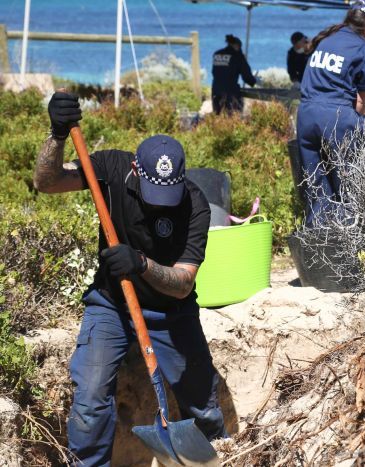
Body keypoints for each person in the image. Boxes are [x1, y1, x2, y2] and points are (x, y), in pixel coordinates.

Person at [33, 92, 226, 465]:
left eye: (169, 195)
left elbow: (184, 282)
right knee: (89, 403)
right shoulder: (111, 168)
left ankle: (220, 458)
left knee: (203, 406)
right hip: (112, 305)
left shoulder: (195, 204)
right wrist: (57, 135)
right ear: (136, 170)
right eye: (154, 193)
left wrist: (141, 264)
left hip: (173, 313)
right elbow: (48, 181)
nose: (160, 203)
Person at [296, 0, 365, 226]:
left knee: (315, 186)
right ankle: (350, 240)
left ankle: (317, 240)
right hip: (336, 116)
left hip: (306, 114)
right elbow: (360, 99)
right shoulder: (363, 48)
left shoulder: (326, 40)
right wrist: (362, 122)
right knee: (349, 186)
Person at [211, 34, 257, 115]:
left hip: (216, 91)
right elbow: (247, 77)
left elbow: (215, 72)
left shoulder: (217, 54)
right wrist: (254, 81)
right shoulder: (237, 56)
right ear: (237, 46)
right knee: (233, 119)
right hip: (230, 93)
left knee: (217, 118)